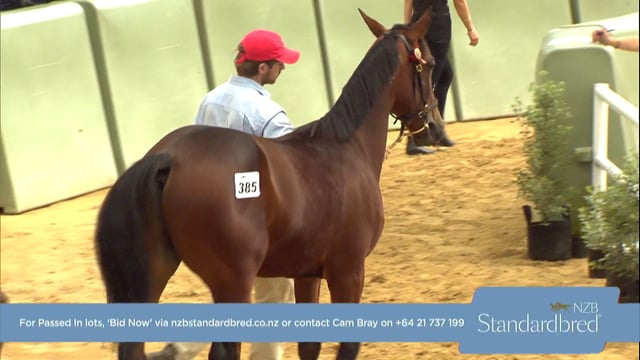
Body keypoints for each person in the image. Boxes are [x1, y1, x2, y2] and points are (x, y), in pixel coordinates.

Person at [147, 29, 300, 360]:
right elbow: (291, 167)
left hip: (207, 212)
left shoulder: (211, 98)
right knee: (273, 294)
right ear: (262, 69)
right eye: (278, 63)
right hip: (252, 212)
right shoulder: (268, 113)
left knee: (229, 287)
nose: (282, 68)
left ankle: (181, 347)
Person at [403, 0, 479, 155]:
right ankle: (414, 140)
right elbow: (459, 1)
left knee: (445, 75)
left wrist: (408, 27)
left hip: (418, 24)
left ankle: (437, 131)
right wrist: (470, 28)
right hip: (437, 25)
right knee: (427, 84)